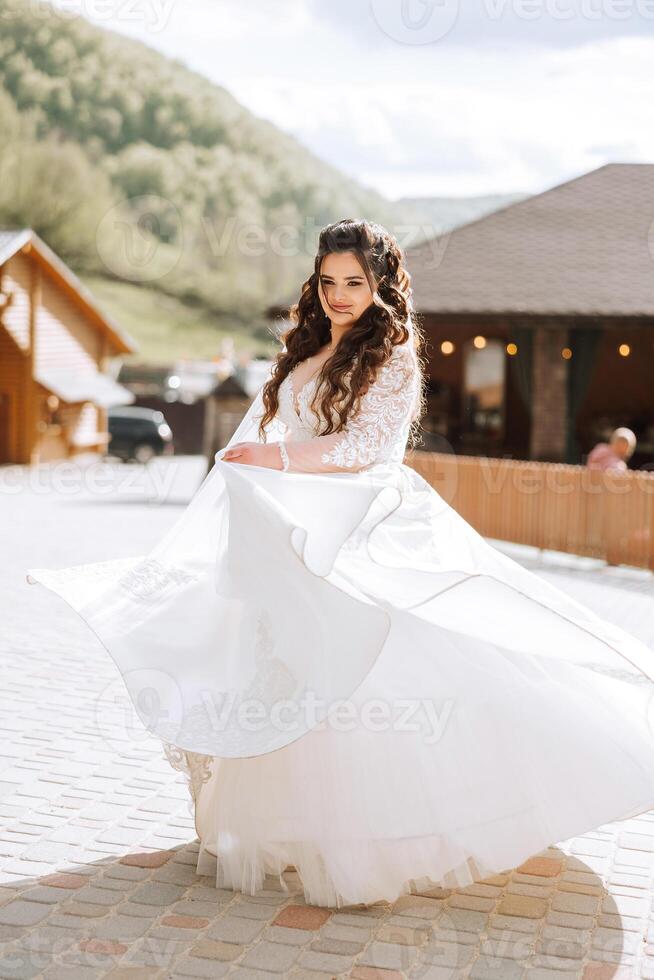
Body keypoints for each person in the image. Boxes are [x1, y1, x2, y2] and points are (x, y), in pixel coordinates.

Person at [26, 219, 654, 909]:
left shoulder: (394, 356)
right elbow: (272, 428)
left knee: (366, 669)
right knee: (282, 660)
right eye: (328, 282)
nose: (339, 295)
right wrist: (256, 468)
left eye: (354, 282)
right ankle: (276, 825)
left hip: (357, 520)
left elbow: (368, 447)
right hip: (286, 519)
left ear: (381, 283)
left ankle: (373, 831)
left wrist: (278, 459)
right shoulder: (307, 348)